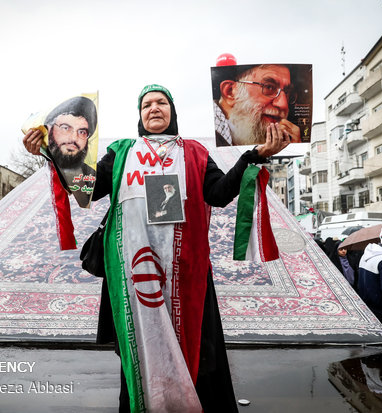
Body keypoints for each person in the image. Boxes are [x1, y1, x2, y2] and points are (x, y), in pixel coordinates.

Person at [24, 83, 290, 413]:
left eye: (161, 102)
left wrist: (254, 156)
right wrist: (53, 151)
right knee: (141, 348)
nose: (154, 108)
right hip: (134, 275)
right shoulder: (121, 152)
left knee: (196, 351)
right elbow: (89, 188)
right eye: (147, 103)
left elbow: (219, 193)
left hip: (186, 273)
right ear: (140, 114)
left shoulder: (194, 152)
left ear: (172, 111)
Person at [213, 64, 301, 146]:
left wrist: (292, 147)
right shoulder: (212, 136)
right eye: (269, 87)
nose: (283, 104)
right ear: (230, 91)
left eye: (286, 92)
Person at [43, 96, 98, 207]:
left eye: (82, 132)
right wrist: (42, 150)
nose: (74, 138)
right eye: (65, 128)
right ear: (50, 130)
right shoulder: (44, 172)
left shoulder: (93, 177)